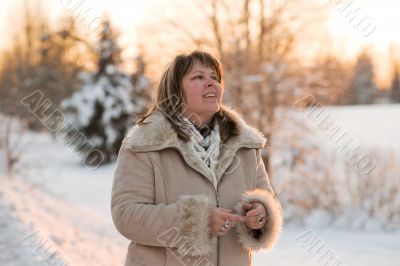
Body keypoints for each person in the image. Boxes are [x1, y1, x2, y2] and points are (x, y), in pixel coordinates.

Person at [111, 50, 282, 266]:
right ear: (175, 91)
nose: (211, 83)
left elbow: (266, 200)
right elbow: (127, 215)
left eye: (215, 78)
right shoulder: (145, 144)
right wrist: (197, 221)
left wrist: (260, 215)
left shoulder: (245, 145)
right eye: (198, 77)